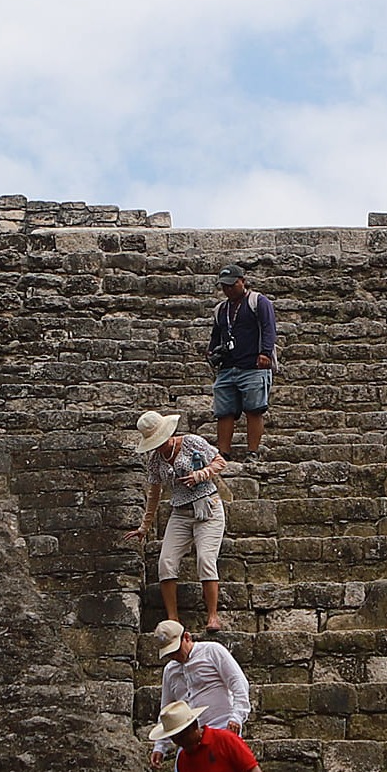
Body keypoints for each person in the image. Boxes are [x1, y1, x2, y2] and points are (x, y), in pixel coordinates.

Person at [123, 409, 229, 631]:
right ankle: (173, 618)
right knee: (166, 562)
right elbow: (154, 494)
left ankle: (213, 616)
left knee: (206, 559)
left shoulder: (191, 442)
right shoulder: (155, 461)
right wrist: (145, 526)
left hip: (207, 508)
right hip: (180, 512)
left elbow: (220, 462)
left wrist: (200, 474)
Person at [150, 619, 250, 770]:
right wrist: (160, 746)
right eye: (170, 654)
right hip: (188, 737)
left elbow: (238, 683)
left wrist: (237, 716)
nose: (175, 656)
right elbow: (167, 708)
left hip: (221, 727)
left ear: (187, 637)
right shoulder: (170, 670)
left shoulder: (212, 651)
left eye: (176, 651)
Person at [209, 266, 276, 460]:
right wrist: (212, 352)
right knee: (224, 411)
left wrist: (265, 353)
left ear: (242, 281)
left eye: (232, 285)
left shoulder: (258, 302)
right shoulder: (221, 309)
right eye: (224, 286)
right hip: (227, 366)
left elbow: (268, 328)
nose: (228, 289)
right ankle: (223, 452)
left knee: (254, 409)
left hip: (253, 365)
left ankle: (252, 452)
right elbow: (216, 335)